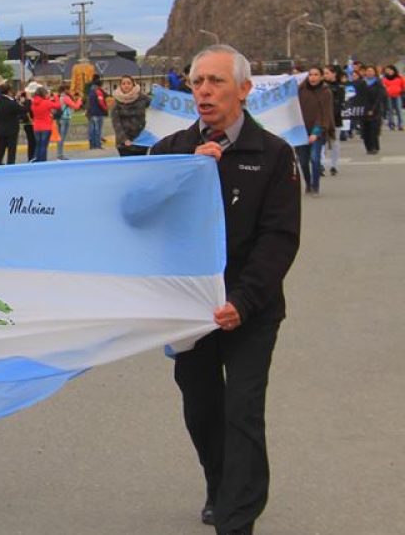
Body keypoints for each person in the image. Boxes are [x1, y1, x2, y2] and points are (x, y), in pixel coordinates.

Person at [150, 45, 300, 535]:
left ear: (244, 89)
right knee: (202, 410)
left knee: (242, 411)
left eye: (215, 81)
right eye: (196, 82)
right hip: (190, 312)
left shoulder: (274, 154)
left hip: (248, 311)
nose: (204, 92)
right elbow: (136, 212)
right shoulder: (171, 148)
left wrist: (243, 301)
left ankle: (237, 518)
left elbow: (278, 238)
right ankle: (220, 486)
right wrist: (184, 175)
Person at [296, 66, 335, 196]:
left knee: (314, 158)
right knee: (303, 160)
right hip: (301, 130)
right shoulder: (300, 90)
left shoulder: (325, 92)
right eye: (310, 74)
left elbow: (325, 114)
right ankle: (308, 182)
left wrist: (316, 132)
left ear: (321, 77)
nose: (313, 77)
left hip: (318, 131)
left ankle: (315, 186)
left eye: (316, 74)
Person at [110, 75, 150, 157]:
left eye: (128, 83)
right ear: (120, 86)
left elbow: (156, 105)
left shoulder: (142, 98)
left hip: (141, 140)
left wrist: (160, 92)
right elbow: (116, 123)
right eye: (123, 83)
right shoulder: (116, 102)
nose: (126, 85)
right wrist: (124, 139)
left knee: (140, 166)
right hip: (125, 143)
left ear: (133, 85)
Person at [353, 64, 387, 154]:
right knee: (365, 130)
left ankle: (375, 147)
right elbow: (357, 96)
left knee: (374, 129)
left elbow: (380, 96)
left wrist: (373, 109)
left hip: (375, 109)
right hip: (363, 109)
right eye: (368, 71)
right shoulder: (361, 83)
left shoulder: (378, 83)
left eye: (371, 71)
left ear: (374, 72)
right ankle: (368, 148)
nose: (369, 73)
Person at [0, 83, 25, 165]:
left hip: (1, 129)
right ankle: (10, 166)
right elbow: (23, 109)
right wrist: (27, 101)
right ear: (9, 91)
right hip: (11, 131)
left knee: (0, 150)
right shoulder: (11, 104)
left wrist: (15, 99)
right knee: (11, 151)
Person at [322, 65, 346, 176]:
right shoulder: (320, 86)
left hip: (335, 119)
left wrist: (330, 114)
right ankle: (320, 164)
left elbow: (339, 104)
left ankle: (334, 165)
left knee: (334, 142)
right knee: (321, 142)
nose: (325, 75)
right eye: (324, 73)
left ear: (334, 74)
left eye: (327, 73)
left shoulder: (340, 87)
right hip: (321, 118)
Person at [29, 86, 59, 162]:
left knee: (38, 145)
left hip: (36, 127)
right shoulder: (47, 102)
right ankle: (43, 161)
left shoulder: (33, 104)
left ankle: (36, 159)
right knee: (44, 146)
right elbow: (58, 105)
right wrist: (56, 97)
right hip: (46, 127)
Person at [55, 84, 82, 160]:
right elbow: (75, 106)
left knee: (59, 137)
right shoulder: (66, 98)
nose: (70, 91)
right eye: (69, 89)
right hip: (65, 118)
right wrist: (79, 99)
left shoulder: (59, 96)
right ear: (65, 90)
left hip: (60, 118)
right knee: (62, 138)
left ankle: (59, 154)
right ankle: (60, 155)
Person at [84, 73, 108, 149]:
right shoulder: (98, 91)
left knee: (92, 129)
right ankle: (98, 145)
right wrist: (105, 109)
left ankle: (92, 145)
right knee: (98, 130)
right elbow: (101, 102)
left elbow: (88, 102)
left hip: (90, 113)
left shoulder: (90, 91)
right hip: (98, 113)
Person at [381, 64, 403, 131]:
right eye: (388, 70)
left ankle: (400, 125)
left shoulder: (399, 78)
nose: (390, 71)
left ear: (394, 70)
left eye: (391, 70)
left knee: (399, 110)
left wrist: (401, 91)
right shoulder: (384, 79)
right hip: (388, 96)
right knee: (390, 110)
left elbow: (403, 85)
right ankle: (391, 124)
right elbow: (383, 87)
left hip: (397, 95)